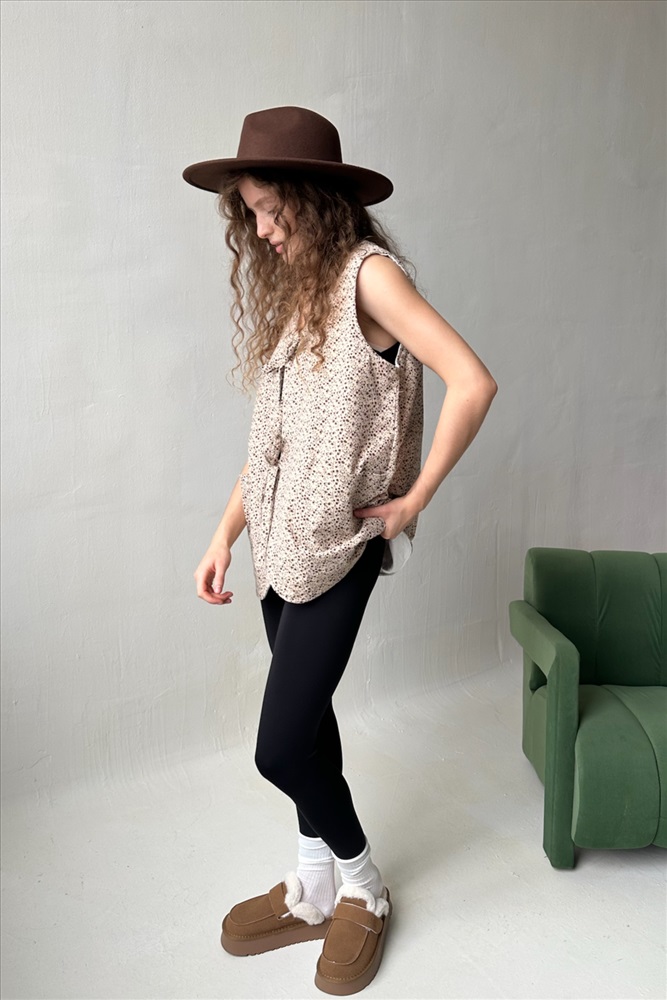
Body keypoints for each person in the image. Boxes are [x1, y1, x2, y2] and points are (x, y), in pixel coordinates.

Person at [184, 106, 497, 996]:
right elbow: (270, 444)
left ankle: (363, 886)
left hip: (337, 548)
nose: (259, 230)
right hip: (276, 554)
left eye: (269, 209)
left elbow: (471, 380)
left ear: (315, 200)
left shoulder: (369, 277)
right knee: (310, 726)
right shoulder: (299, 295)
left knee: (279, 748)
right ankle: (314, 885)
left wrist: (414, 500)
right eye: (248, 213)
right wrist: (223, 534)